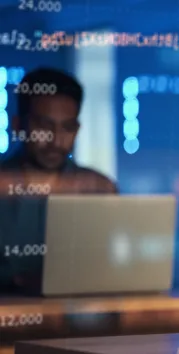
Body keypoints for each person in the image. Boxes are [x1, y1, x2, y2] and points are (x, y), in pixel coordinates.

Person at [0, 68, 117, 293]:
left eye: (67, 127)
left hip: (86, 323)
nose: (56, 140)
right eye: (44, 126)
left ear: (77, 130)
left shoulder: (99, 189)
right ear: (18, 126)